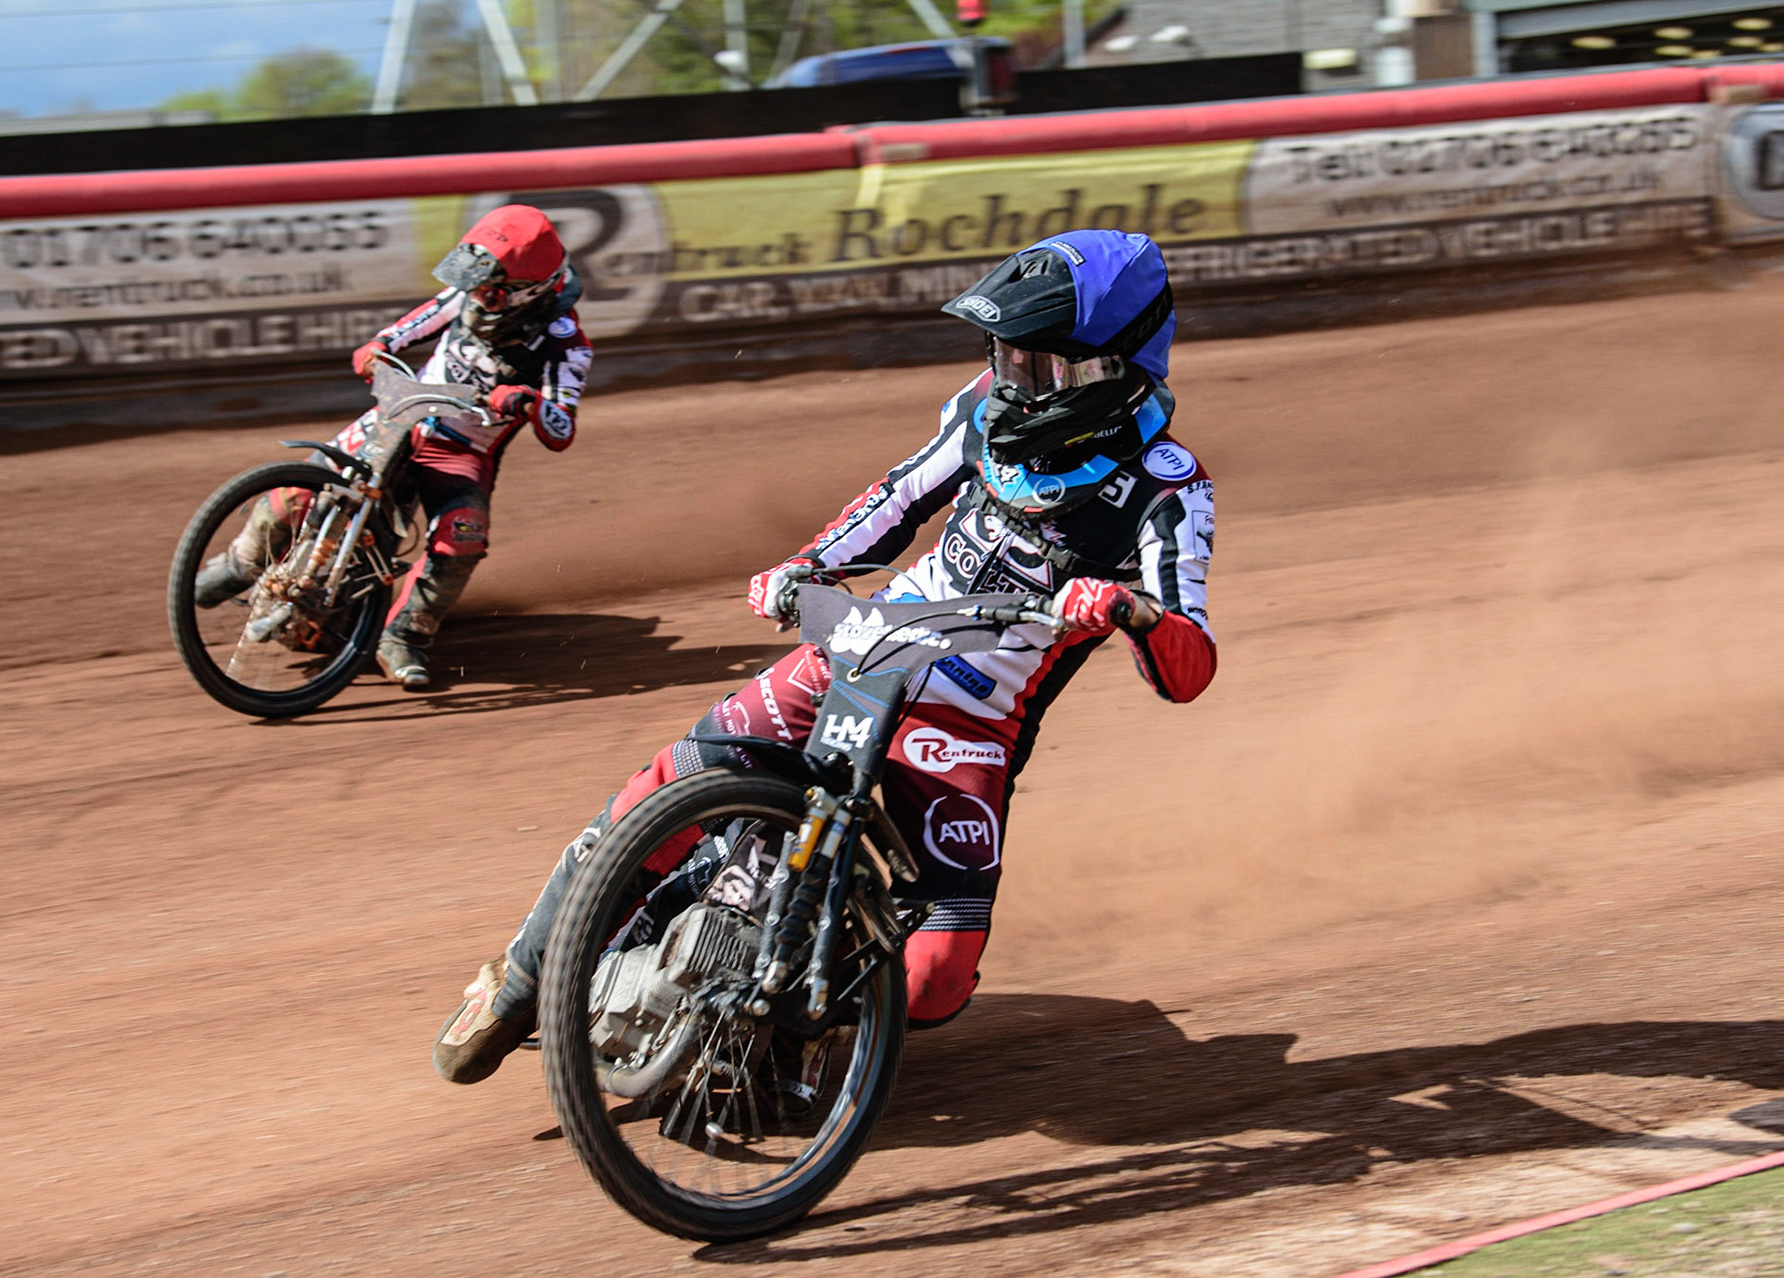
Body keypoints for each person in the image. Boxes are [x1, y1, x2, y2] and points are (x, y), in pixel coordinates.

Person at [433, 228, 1216, 1083]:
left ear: (1114, 366)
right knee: (666, 787)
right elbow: (897, 497)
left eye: (1042, 366)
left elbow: (1190, 664)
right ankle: (518, 979)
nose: (1015, 381)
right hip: (869, 643)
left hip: (972, 721)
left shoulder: (1170, 488)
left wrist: (1133, 612)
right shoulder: (982, 411)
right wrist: (809, 567)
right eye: (1005, 355)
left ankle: (814, 1020)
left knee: (936, 982)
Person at [192, 204, 594, 689]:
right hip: (401, 413)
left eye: (488, 289)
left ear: (525, 293)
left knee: (461, 536)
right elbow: (414, 324)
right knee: (303, 488)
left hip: (460, 448)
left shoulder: (567, 345)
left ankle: (402, 636)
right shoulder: (468, 298)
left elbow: (561, 429)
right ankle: (240, 562)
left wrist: (528, 403)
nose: (475, 295)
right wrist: (380, 344)